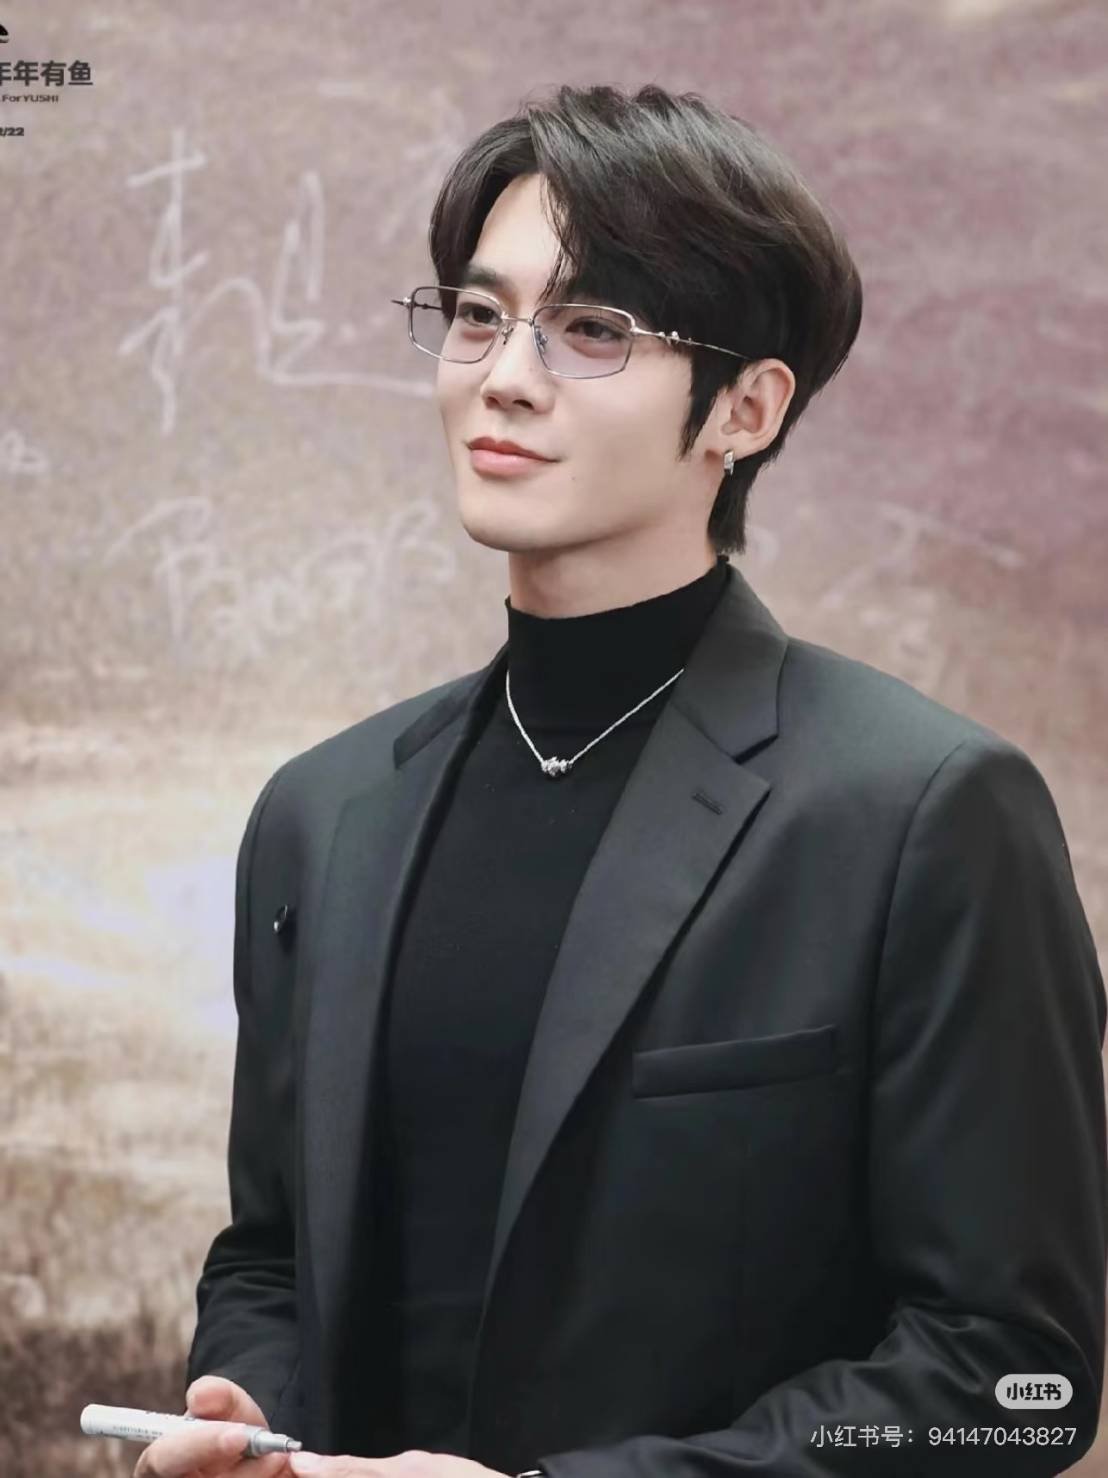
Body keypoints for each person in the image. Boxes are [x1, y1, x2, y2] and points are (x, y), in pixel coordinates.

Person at [135, 83, 1106, 1478]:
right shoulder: (324, 812)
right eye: (479, 315)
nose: (506, 374)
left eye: (592, 329)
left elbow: (1011, 1378)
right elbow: (274, 1254)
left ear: (746, 408)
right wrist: (252, 1410)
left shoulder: (926, 812)